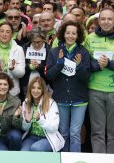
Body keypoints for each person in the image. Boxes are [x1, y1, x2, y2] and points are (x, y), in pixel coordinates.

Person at [84, 7, 114, 154]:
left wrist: (108, 63)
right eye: (103, 19)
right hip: (95, 90)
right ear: (98, 21)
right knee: (97, 132)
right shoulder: (90, 38)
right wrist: (98, 65)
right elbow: (85, 65)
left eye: (109, 19)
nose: (106, 22)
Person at [45, 21, 91, 152]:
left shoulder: (84, 52)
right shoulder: (54, 52)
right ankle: (64, 158)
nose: (70, 36)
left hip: (79, 99)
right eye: (68, 33)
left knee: (75, 133)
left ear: (78, 35)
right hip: (61, 98)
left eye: (74, 33)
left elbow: (86, 76)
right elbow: (49, 76)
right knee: (63, 132)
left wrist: (79, 65)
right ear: (63, 34)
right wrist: (59, 63)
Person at [20, 77, 64, 152]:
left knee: (36, 148)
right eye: (33, 88)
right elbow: (25, 128)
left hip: (48, 138)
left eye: (39, 88)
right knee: (23, 152)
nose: (35, 91)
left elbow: (54, 127)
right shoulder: (26, 103)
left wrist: (39, 119)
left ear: (43, 90)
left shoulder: (51, 103)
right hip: (32, 137)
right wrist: (27, 121)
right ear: (30, 89)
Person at [21, 27, 50, 98]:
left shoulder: (49, 50)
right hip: (26, 84)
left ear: (44, 39)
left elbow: (50, 69)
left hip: (44, 85)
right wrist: (29, 66)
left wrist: (39, 67)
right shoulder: (24, 48)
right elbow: (20, 66)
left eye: (39, 42)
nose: (36, 44)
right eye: (34, 42)